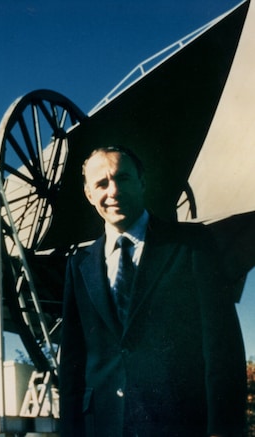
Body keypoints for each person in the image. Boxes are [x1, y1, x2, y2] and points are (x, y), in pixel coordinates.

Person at [59, 146, 247, 437]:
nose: (114, 191)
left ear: (142, 182)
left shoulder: (191, 245)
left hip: (180, 424)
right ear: (89, 194)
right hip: (103, 425)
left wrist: (224, 429)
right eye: (101, 183)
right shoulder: (79, 265)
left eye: (123, 178)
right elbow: (72, 361)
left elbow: (221, 344)